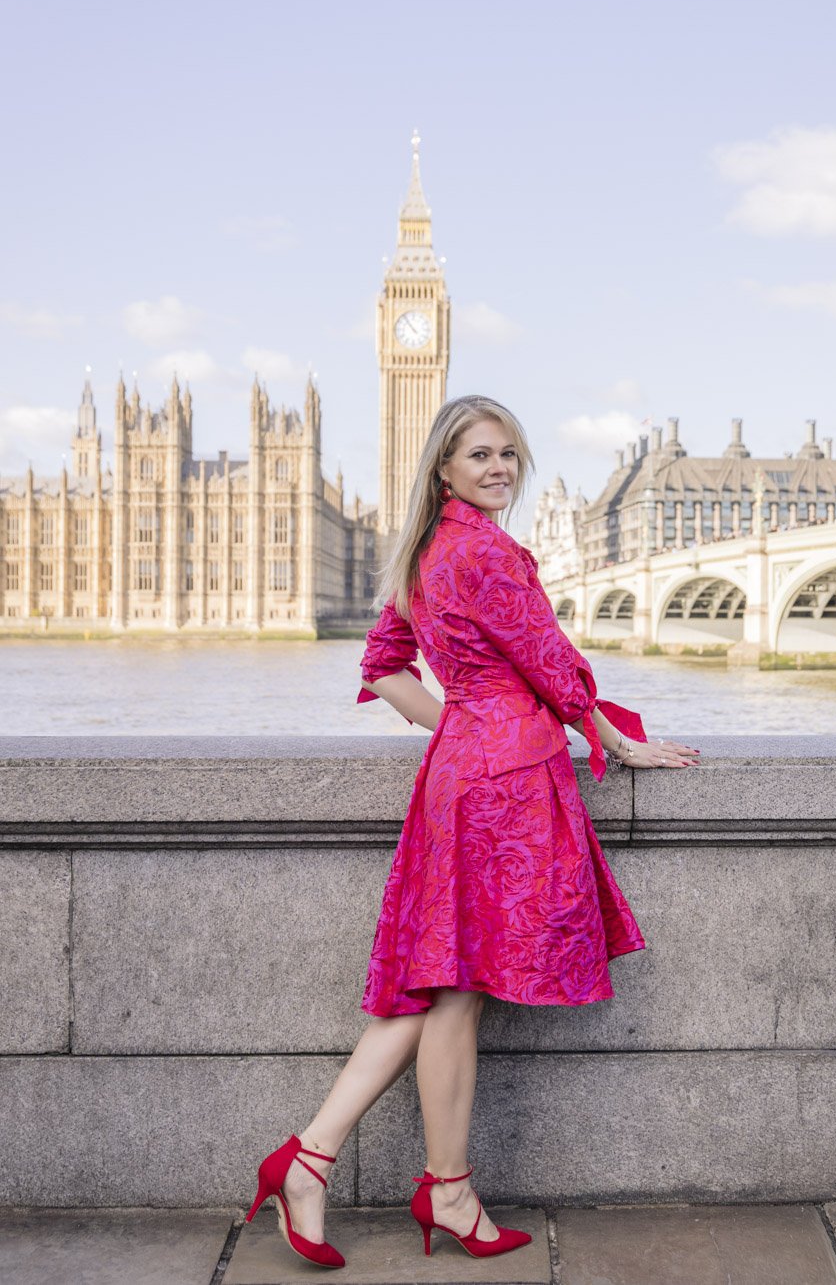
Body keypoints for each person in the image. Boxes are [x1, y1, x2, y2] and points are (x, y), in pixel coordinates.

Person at [245, 394, 700, 1269]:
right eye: (480, 456)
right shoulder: (487, 552)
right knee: (454, 987)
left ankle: (319, 1162)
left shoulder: (423, 552)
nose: (499, 469)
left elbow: (384, 672)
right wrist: (615, 742)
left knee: (444, 981)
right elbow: (557, 669)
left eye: (508, 455)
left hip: (459, 774)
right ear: (445, 468)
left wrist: (461, 722)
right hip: (504, 789)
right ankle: (434, 1186)